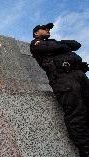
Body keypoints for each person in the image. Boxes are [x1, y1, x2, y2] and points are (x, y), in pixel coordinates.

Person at [30, 23, 89, 157]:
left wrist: (60, 45)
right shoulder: (35, 44)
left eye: (49, 29)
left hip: (79, 75)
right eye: (44, 28)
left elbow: (76, 44)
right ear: (36, 33)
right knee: (76, 113)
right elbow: (56, 47)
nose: (48, 30)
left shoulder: (54, 42)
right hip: (64, 80)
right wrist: (61, 46)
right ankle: (85, 149)